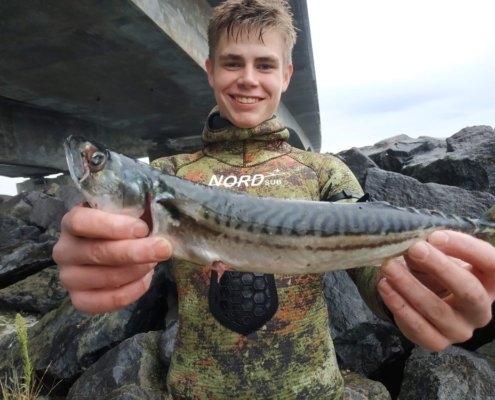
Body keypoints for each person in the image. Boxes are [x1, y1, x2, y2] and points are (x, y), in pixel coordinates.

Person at [53, 0, 495, 398]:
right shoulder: (169, 173)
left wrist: (425, 289)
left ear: (286, 75)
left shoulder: (324, 172)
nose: (248, 78)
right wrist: (94, 256)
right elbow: (115, 242)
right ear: (210, 69)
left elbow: (368, 255)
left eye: (265, 65)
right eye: (232, 63)